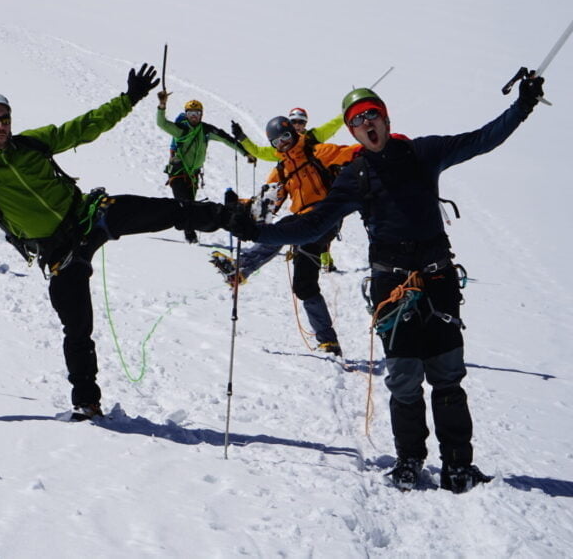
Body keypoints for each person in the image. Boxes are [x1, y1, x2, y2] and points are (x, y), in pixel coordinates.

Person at [227, 75, 545, 492]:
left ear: (385, 116)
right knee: (405, 377)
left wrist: (522, 107)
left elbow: (480, 139)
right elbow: (312, 224)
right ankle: (410, 460)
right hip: (392, 287)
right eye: (358, 120)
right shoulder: (354, 174)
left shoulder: (421, 152)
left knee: (448, 375)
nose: (367, 124)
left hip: (439, 278)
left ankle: (458, 466)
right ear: (352, 130)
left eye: (372, 114)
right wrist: (257, 234)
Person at [0, 64, 234, 418]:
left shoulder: (31, 145)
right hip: (60, 253)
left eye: (4, 118)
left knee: (166, 211)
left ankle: (234, 219)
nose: (1, 126)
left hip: (89, 217)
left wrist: (129, 98)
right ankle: (87, 404)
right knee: (77, 329)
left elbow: (83, 127)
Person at [234, 116, 359, 355]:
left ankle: (242, 266)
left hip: (327, 215)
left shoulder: (319, 152)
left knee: (286, 226)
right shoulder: (281, 169)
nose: (282, 144)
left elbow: (354, 152)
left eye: (286, 137)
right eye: (276, 142)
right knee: (303, 285)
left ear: (294, 133)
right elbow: (266, 201)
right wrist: (240, 206)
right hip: (304, 226)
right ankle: (329, 342)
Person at [156, 93, 254, 243]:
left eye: (196, 113)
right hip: (178, 173)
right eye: (190, 113)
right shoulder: (181, 129)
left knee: (190, 205)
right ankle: (189, 235)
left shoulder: (205, 130)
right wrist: (162, 105)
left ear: (201, 115)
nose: (193, 116)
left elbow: (225, 138)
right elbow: (162, 123)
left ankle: (189, 233)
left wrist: (245, 153)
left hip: (193, 176)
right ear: (186, 114)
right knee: (185, 204)